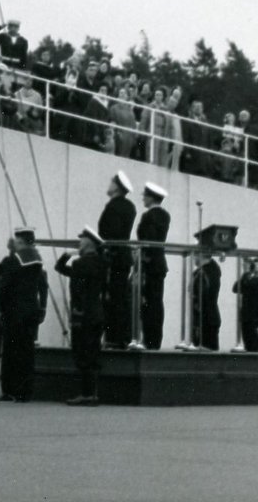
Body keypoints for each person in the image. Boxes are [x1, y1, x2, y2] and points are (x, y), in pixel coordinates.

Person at [55, 226, 107, 406]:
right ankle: (92, 393)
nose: (79, 242)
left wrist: (67, 255)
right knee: (93, 353)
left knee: (82, 353)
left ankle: (86, 394)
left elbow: (62, 271)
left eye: (82, 239)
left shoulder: (80, 264)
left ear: (89, 243)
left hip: (82, 313)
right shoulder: (101, 262)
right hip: (97, 312)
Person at [0, 226, 48, 402]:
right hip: (31, 310)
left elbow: (4, 285)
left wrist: (0, 309)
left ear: (19, 241)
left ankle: (10, 390)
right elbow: (42, 286)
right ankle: (25, 390)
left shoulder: (14, 260)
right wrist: (42, 308)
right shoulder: (37, 260)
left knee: (11, 352)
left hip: (14, 311)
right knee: (26, 352)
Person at [98, 171, 136, 349]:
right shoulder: (129, 206)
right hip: (123, 257)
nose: (109, 184)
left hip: (113, 257)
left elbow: (109, 233)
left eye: (112, 182)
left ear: (117, 187)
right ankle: (121, 337)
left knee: (113, 299)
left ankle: (114, 337)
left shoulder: (113, 206)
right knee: (120, 298)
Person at [135, 182, 170, 350]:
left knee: (149, 303)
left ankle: (149, 340)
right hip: (158, 264)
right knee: (156, 302)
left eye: (145, 195)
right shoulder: (164, 215)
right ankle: (154, 340)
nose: (143, 198)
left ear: (151, 197)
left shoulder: (148, 216)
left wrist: (142, 258)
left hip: (149, 264)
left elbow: (147, 240)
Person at [190, 246, 221, 350]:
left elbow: (202, 295)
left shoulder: (207, 272)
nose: (194, 258)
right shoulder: (203, 272)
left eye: (195, 255)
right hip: (204, 316)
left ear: (201, 255)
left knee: (207, 352)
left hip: (206, 318)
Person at [233, 258, 258, 352]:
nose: (257, 275)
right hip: (247, 317)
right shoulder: (248, 279)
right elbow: (235, 288)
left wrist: (248, 274)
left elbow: (257, 285)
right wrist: (245, 274)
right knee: (249, 345)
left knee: (257, 347)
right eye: (255, 272)